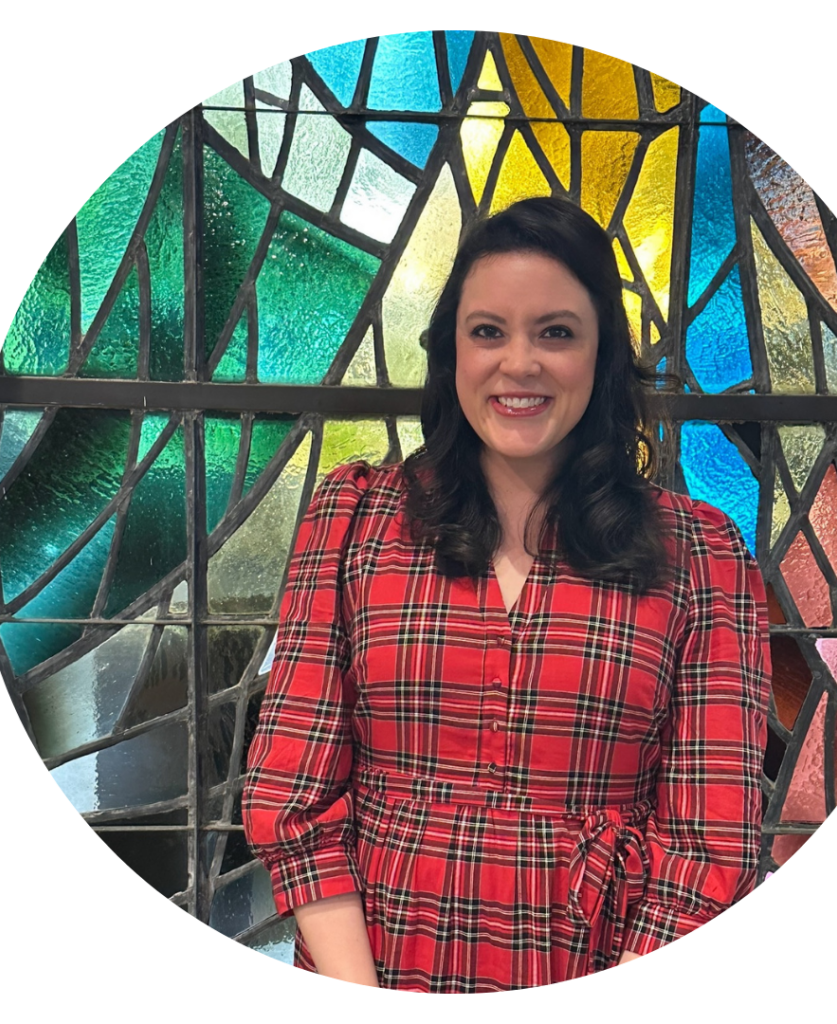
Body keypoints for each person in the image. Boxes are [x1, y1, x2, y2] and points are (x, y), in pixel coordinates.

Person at [243, 196, 771, 992]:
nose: (518, 364)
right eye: (488, 331)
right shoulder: (353, 522)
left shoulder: (700, 555)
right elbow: (294, 798)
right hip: (371, 961)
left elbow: (710, 837)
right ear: (452, 350)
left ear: (602, 354)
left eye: (556, 332)